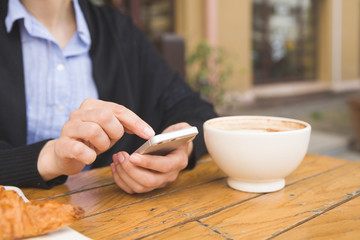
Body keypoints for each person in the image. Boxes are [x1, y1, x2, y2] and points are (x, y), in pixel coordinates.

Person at [0, 0, 217, 193]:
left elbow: (194, 108)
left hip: (114, 216)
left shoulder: (117, 29)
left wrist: (182, 148)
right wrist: (50, 158)